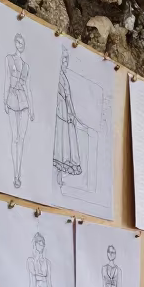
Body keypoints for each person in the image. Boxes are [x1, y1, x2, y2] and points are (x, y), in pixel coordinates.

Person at [4, 32, 33, 189]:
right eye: (18, 42)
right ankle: (14, 173)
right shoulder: (8, 59)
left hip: (24, 102)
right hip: (12, 98)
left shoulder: (26, 66)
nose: (20, 45)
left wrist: (33, 108)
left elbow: (28, 88)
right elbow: (7, 79)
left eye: (22, 43)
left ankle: (18, 174)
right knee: (14, 138)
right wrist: (4, 98)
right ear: (15, 43)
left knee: (21, 139)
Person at [53, 47, 82, 184]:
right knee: (60, 144)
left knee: (64, 145)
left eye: (66, 61)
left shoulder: (64, 78)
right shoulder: (57, 75)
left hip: (64, 112)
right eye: (63, 60)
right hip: (60, 111)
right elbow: (65, 97)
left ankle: (59, 176)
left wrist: (72, 113)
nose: (65, 63)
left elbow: (69, 98)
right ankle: (57, 176)